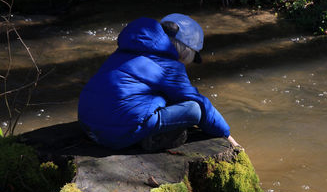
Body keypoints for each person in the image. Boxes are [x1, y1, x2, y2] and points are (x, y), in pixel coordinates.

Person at [78, 13, 240, 151]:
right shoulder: (170, 65)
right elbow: (199, 103)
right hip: (115, 135)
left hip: (87, 125)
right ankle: (149, 139)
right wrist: (226, 135)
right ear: (185, 50)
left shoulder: (124, 52)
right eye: (193, 55)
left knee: (161, 98)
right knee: (194, 109)